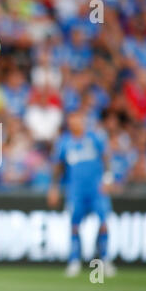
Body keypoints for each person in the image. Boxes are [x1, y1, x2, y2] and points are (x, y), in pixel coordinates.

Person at [47, 111, 116, 277]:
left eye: (77, 120)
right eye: (72, 121)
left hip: (96, 189)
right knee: (75, 225)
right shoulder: (64, 142)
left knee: (103, 222)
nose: (75, 124)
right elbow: (58, 167)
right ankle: (74, 260)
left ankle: (105, 259)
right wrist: (54, 188)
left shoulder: (94, 138)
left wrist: (108, 179)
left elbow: (106, 157)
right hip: (76, 190)